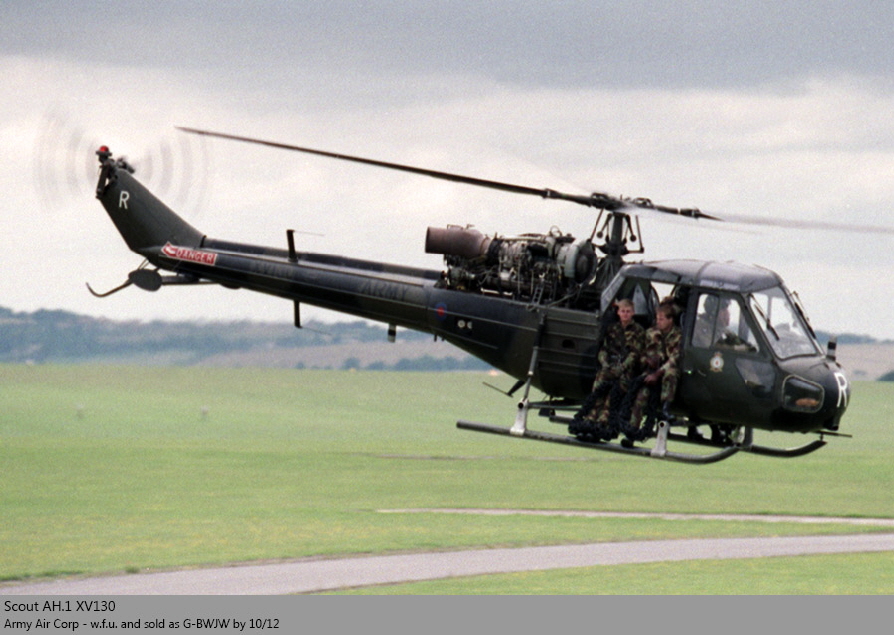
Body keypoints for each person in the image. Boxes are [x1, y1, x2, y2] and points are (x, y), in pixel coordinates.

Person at [571, 298, 645, 440]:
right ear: (618, 312)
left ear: (633, 313)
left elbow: (634, 354)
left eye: (628, 311)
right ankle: (590, 419)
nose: (625, 314)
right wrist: (605, 364)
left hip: (625, 371)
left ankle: (603, 422)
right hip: (610, 366)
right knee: (598, 387)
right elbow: (604, 349)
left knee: (613, 393)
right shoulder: (612, 329)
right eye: (623, 311)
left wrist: (622, 368)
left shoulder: (638, 331)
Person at [621, 301, 682, 446]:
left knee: (671, 374)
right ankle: (632, 433)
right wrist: (647, 362)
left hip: (666, 374)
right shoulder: (650, 333)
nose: (658, 322)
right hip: (650, 372)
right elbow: (641, 354)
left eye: (661, 319)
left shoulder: (678, 336)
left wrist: (658, 372)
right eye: (657, 318)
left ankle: (665, 409)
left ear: (670, 320)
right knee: (640, 397)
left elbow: (675, 358)